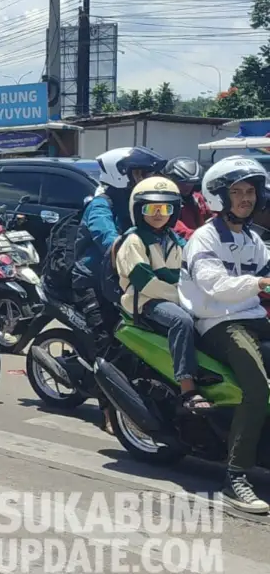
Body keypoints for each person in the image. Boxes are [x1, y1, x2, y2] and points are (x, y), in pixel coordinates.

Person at [178, 156, 270, 514]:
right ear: (219, 197)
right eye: (238, 192)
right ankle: (236, 476)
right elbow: (216, 288)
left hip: (252, 316)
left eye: (251, 191)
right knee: (257, 388)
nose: (246, 198)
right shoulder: (205, 238)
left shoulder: (252, 238)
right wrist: (260, 283)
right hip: (218, 322)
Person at [113, 176, 204, 411]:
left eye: (164, 208)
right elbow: (147, 284)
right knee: (181, 320)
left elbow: (190, 271)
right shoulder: (133, 240)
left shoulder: (173, 239)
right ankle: (187, 386)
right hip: (145, 301)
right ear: (138, 210)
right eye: (151, 208)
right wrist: (183, 299)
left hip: (171, 297)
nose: (158, 213)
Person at [73, 146, 168, 348]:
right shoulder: (100, 205)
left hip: (129, 279)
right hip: (94, 281)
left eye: (148, 174)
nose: (145, 179)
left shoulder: (137, 205)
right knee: (106, 338)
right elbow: (107, 237)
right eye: (140, 173)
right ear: (120, 174)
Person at [164, 157, 211, 239]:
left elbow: (211, 217)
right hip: (178, 245)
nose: (188, 186)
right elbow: (173, 224)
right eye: (183, 182)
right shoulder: (165, 201)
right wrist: (198, 237)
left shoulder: (197, 198)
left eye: (191, 183)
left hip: (201, 244)